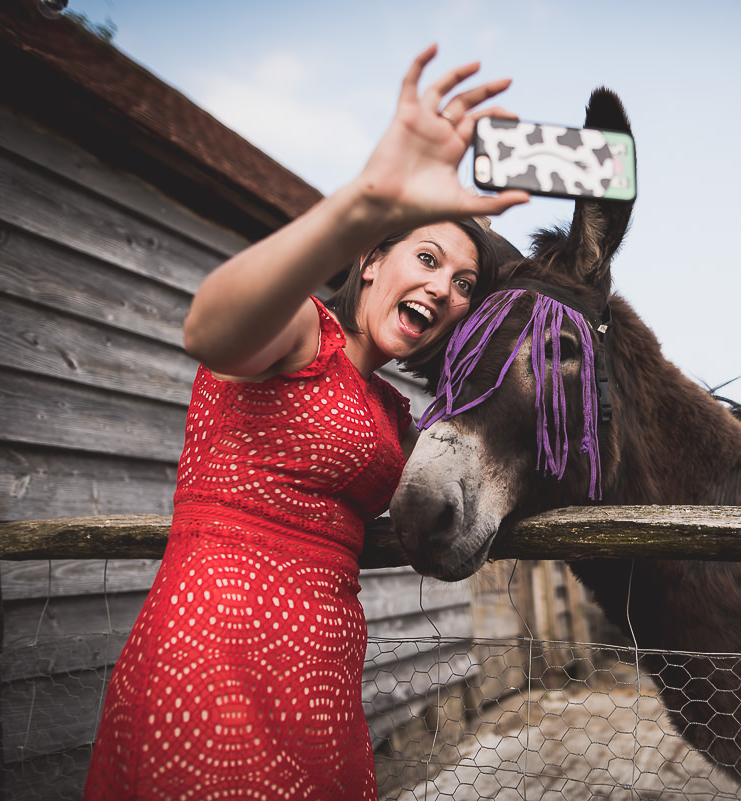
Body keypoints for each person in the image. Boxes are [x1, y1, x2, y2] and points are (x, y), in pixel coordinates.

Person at [83, 46, 529, 801]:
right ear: (370, 262)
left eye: (462, 286)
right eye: (425, 257)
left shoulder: (397, 416)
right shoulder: (298, 335)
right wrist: (367, 196)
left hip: (321, 680)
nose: (442, 289)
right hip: (216, 652)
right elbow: (207, 329)